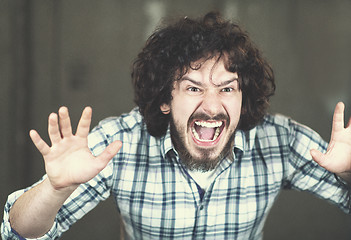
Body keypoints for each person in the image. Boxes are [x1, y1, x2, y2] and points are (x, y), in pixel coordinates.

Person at [1, 11, 351, 240]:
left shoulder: (280, 140)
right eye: (193, 88)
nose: (213, 106)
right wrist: (55, 189)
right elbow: (17, 233)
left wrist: (349, 172)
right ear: (165, 99)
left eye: (227, 88)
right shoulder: (118, 143)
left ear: (243, 97)